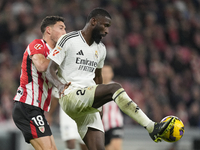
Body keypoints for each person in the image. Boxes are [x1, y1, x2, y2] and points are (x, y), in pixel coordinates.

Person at [45, 7, 176, 150]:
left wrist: (99, 105)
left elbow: (98, 78)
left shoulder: (100, 49)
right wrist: (59, 86)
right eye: (105, 25)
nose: (107, 31)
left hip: (88, 104)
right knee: (115, 88)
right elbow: (49, 69)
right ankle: (152, 127)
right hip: (71, 95)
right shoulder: (69, 39)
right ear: (93, 21)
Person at [12, 16, 66, 150]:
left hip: (37, 109)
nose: (65, 32)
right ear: (48, 30)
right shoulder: (37, 44)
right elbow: (41, 65)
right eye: (61, 28)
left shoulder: (55, 53)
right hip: (27, 105)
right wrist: (61, 60)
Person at [101, 64, 124, 150]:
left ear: (112, 74)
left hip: (115, 122)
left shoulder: (116, 87)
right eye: (103, 72)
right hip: (101, 125)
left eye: (107, 72)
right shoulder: (95, 87)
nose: (105, 75)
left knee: (116, 148)